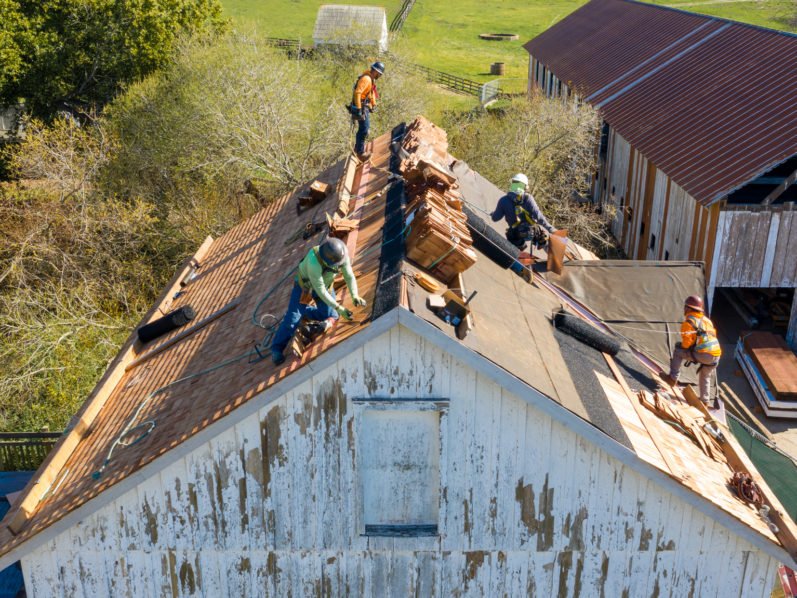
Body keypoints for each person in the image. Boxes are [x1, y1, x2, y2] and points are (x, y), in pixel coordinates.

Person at [271, 238, 367, 365]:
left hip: (326, 286)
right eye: (335, 265)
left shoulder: (341, 256)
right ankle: (276, 348)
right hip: (305, 288)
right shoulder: (314, 262)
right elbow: (320, 291)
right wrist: (339, 308)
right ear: (327, 262)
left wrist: (355, 295)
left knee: (329, 315)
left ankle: (304, 312)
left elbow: (349, 276)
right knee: (292, 321)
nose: (339, 266)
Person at [663, 295, 722, 405]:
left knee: (678, 352)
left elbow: (686, 345)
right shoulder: (706, 320)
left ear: (689, 308)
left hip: (706, 355)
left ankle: (672, 378)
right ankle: (705, 401)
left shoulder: (688, 323)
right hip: (716, 355)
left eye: (685, 307)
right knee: (705, 375)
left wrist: (682, 346)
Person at [491, 173, 557, 250]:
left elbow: (495, 218)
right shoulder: (528, 198)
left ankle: (517, 249)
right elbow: (538, 216)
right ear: (525, 187)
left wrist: (493, 214)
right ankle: (546, 247)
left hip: (516, 234)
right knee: (540, 234)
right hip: (531, 232)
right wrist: (551, 229)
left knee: (510, 234)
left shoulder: (503, 200)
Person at [349, 61, 384, 162]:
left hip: (364, 106)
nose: (380, 76)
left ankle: (357, 149)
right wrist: (359, 109)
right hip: (360, 107)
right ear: (376, 72)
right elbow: (358, 93)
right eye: (380, 74)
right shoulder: (366, 79)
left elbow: (371, 92)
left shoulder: (371, 79)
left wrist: (373, 104)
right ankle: (360, 153)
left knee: (365, 129)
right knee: (364, 129)